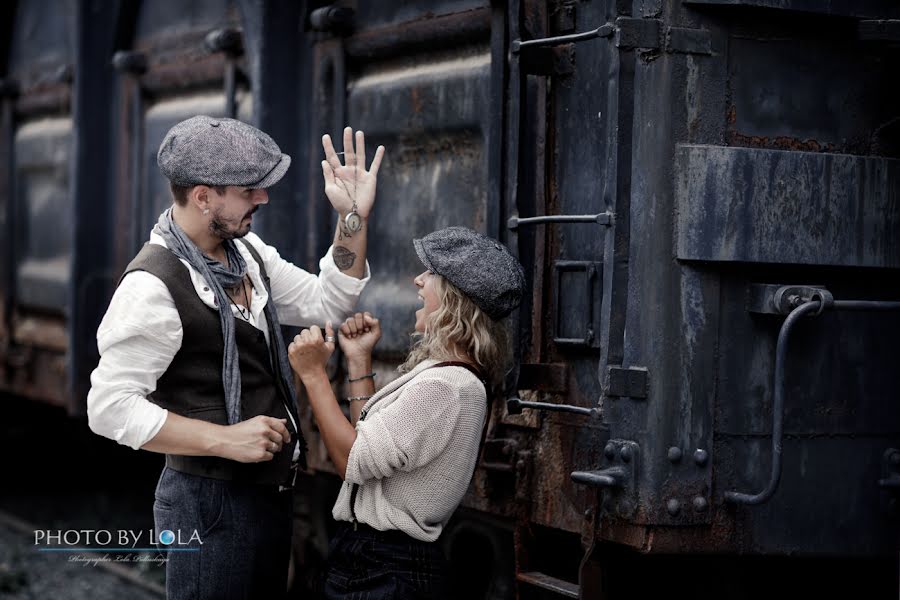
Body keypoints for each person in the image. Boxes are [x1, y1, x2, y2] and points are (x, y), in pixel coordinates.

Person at [86, 116, 384, 599]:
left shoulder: (248, 254)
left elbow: (329, 301)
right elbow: (108, 407)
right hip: (206, 502)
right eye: (249, 190)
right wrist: (224, 439)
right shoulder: (152, 286)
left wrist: (352, 217)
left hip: (267, 492)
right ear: (204, 197)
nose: (262, 199)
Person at [287, 226, 525, 599]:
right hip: (381, 562)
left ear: (452, 299)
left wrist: (314, 375)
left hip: (383, 568)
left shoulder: (445, 387)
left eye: (430, 274)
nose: (418, 280)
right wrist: (358, 360)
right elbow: (371, 447)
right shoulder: (451, 378)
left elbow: (352, 459)